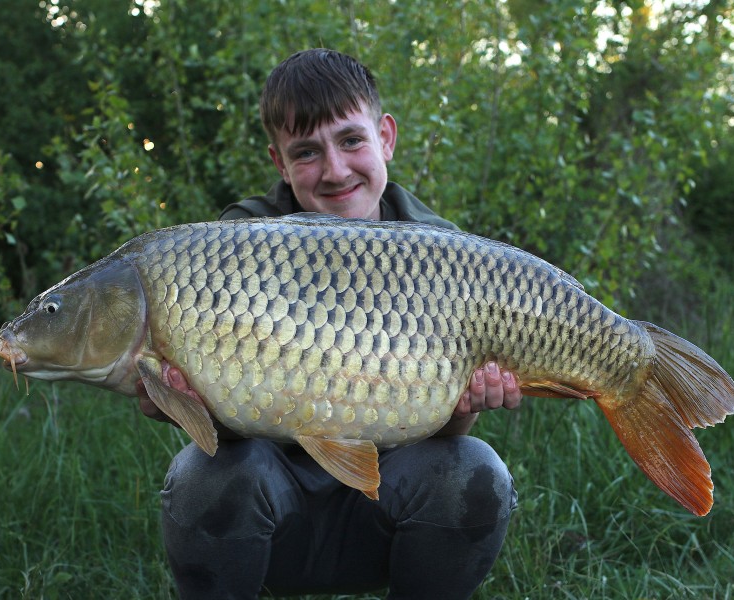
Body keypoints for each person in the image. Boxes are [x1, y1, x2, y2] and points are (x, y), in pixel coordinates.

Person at [139, 48, 522, 599]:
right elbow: (227, 432)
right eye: (307, 152)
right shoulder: (234, 246)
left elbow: (441, 434)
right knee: (203, 474)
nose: (336, 169)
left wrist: (466, 408)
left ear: (385, 136)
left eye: (351, 140)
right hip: (273, 509)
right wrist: (181, 403)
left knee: (472, 468)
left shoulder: (444, 253)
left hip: (386, 508)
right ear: (279, 162)